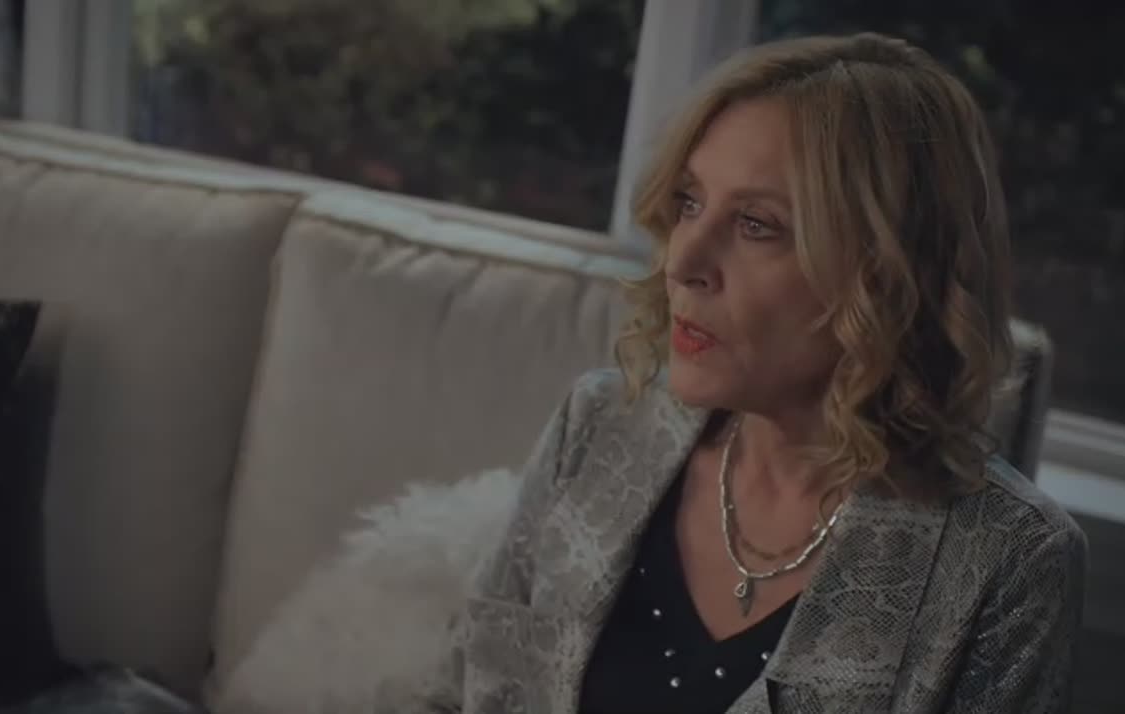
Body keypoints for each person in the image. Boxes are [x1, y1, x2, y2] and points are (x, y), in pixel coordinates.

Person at [413, 32, 1087, 714]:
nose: (684, 262)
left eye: (757, 225)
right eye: (690, 203)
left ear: (887, 276)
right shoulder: (599, 426)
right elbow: (455, 693)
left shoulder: (1010, 560)